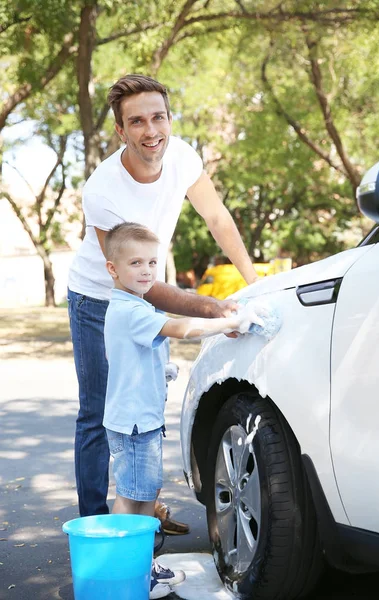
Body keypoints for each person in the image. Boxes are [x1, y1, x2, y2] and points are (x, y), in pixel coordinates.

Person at [67, 73, 259, 524]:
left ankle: (141, 505)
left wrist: (251, 284)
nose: (151, 131)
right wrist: (212, 307)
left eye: (158, 117)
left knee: (145, 405)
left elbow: (217, 217)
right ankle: (97, 528)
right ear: (120, 131)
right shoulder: (101, 191)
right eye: (137, 122)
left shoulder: (182, 158)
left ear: (170, 119)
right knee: (99, 413)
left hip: (144, 289)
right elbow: (141, 284)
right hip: (99, 300)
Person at [103, 222, 263, 599]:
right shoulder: (132, 311)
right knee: (133, 495)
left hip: (133, 417)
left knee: (140, 492)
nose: (145, 271)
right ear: (113, 269)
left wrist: (163, 371)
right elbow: (181, 328)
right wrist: (228, 322)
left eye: (152, 263)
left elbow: (136, 357)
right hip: (136, 422)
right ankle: (127, 569)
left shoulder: (130, 306)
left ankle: (133, 566)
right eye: (136, 263)